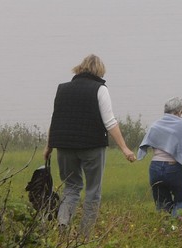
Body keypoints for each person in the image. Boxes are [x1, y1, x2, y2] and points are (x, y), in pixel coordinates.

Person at [46, 53, 135, 235]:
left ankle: (63, 223)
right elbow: (110, 122)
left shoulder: (62, 89)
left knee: (71, 187)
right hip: (92, 146)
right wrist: (125, 148)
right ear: (100, 71)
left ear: (80, 68)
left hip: (64, 146)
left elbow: (55, 119)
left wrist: (48, 146)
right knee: (93, 191)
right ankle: (84, 235)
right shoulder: (100, 89)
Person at [140, 96, 182, 217]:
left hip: (155, 167)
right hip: (174, 167)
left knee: (162, 205)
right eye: (181, 112)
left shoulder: (155, 125)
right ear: (178, 111)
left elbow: (146, 143)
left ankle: (164, 227)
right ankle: (174, 226)